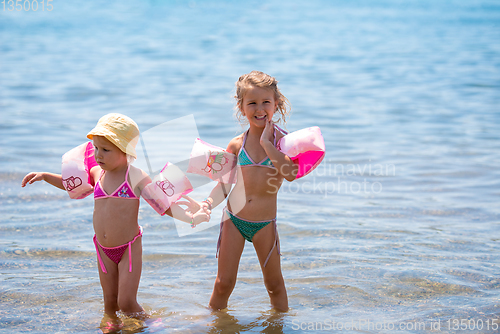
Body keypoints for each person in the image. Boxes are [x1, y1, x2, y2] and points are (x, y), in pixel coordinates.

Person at [21, 113, 209, 322]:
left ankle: (152, 325)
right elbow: (70, 184)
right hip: (103, 249)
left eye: (106, 150)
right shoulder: (96, 173)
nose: (98, 155)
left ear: (124, 151)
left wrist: (192, 218)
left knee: (126, 302)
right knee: (110, 304)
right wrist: (45, 176)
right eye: (96, 149)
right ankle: (112, 327)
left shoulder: (134, 176)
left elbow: (163, 204)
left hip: (128, 248)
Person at [199, 71, 297, 312]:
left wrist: (266, 144)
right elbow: (223, 184)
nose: (259, 108)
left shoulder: (284, 143)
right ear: (241, 107)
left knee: (274, 285)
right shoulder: (236, 144)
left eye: (266, 102)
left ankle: (279, 327)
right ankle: (214, 326)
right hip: (234, 219)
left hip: (264, 224)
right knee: (223, 284)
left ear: (277, 104)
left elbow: (291, 173)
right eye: (251, 103)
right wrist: (208, 204)